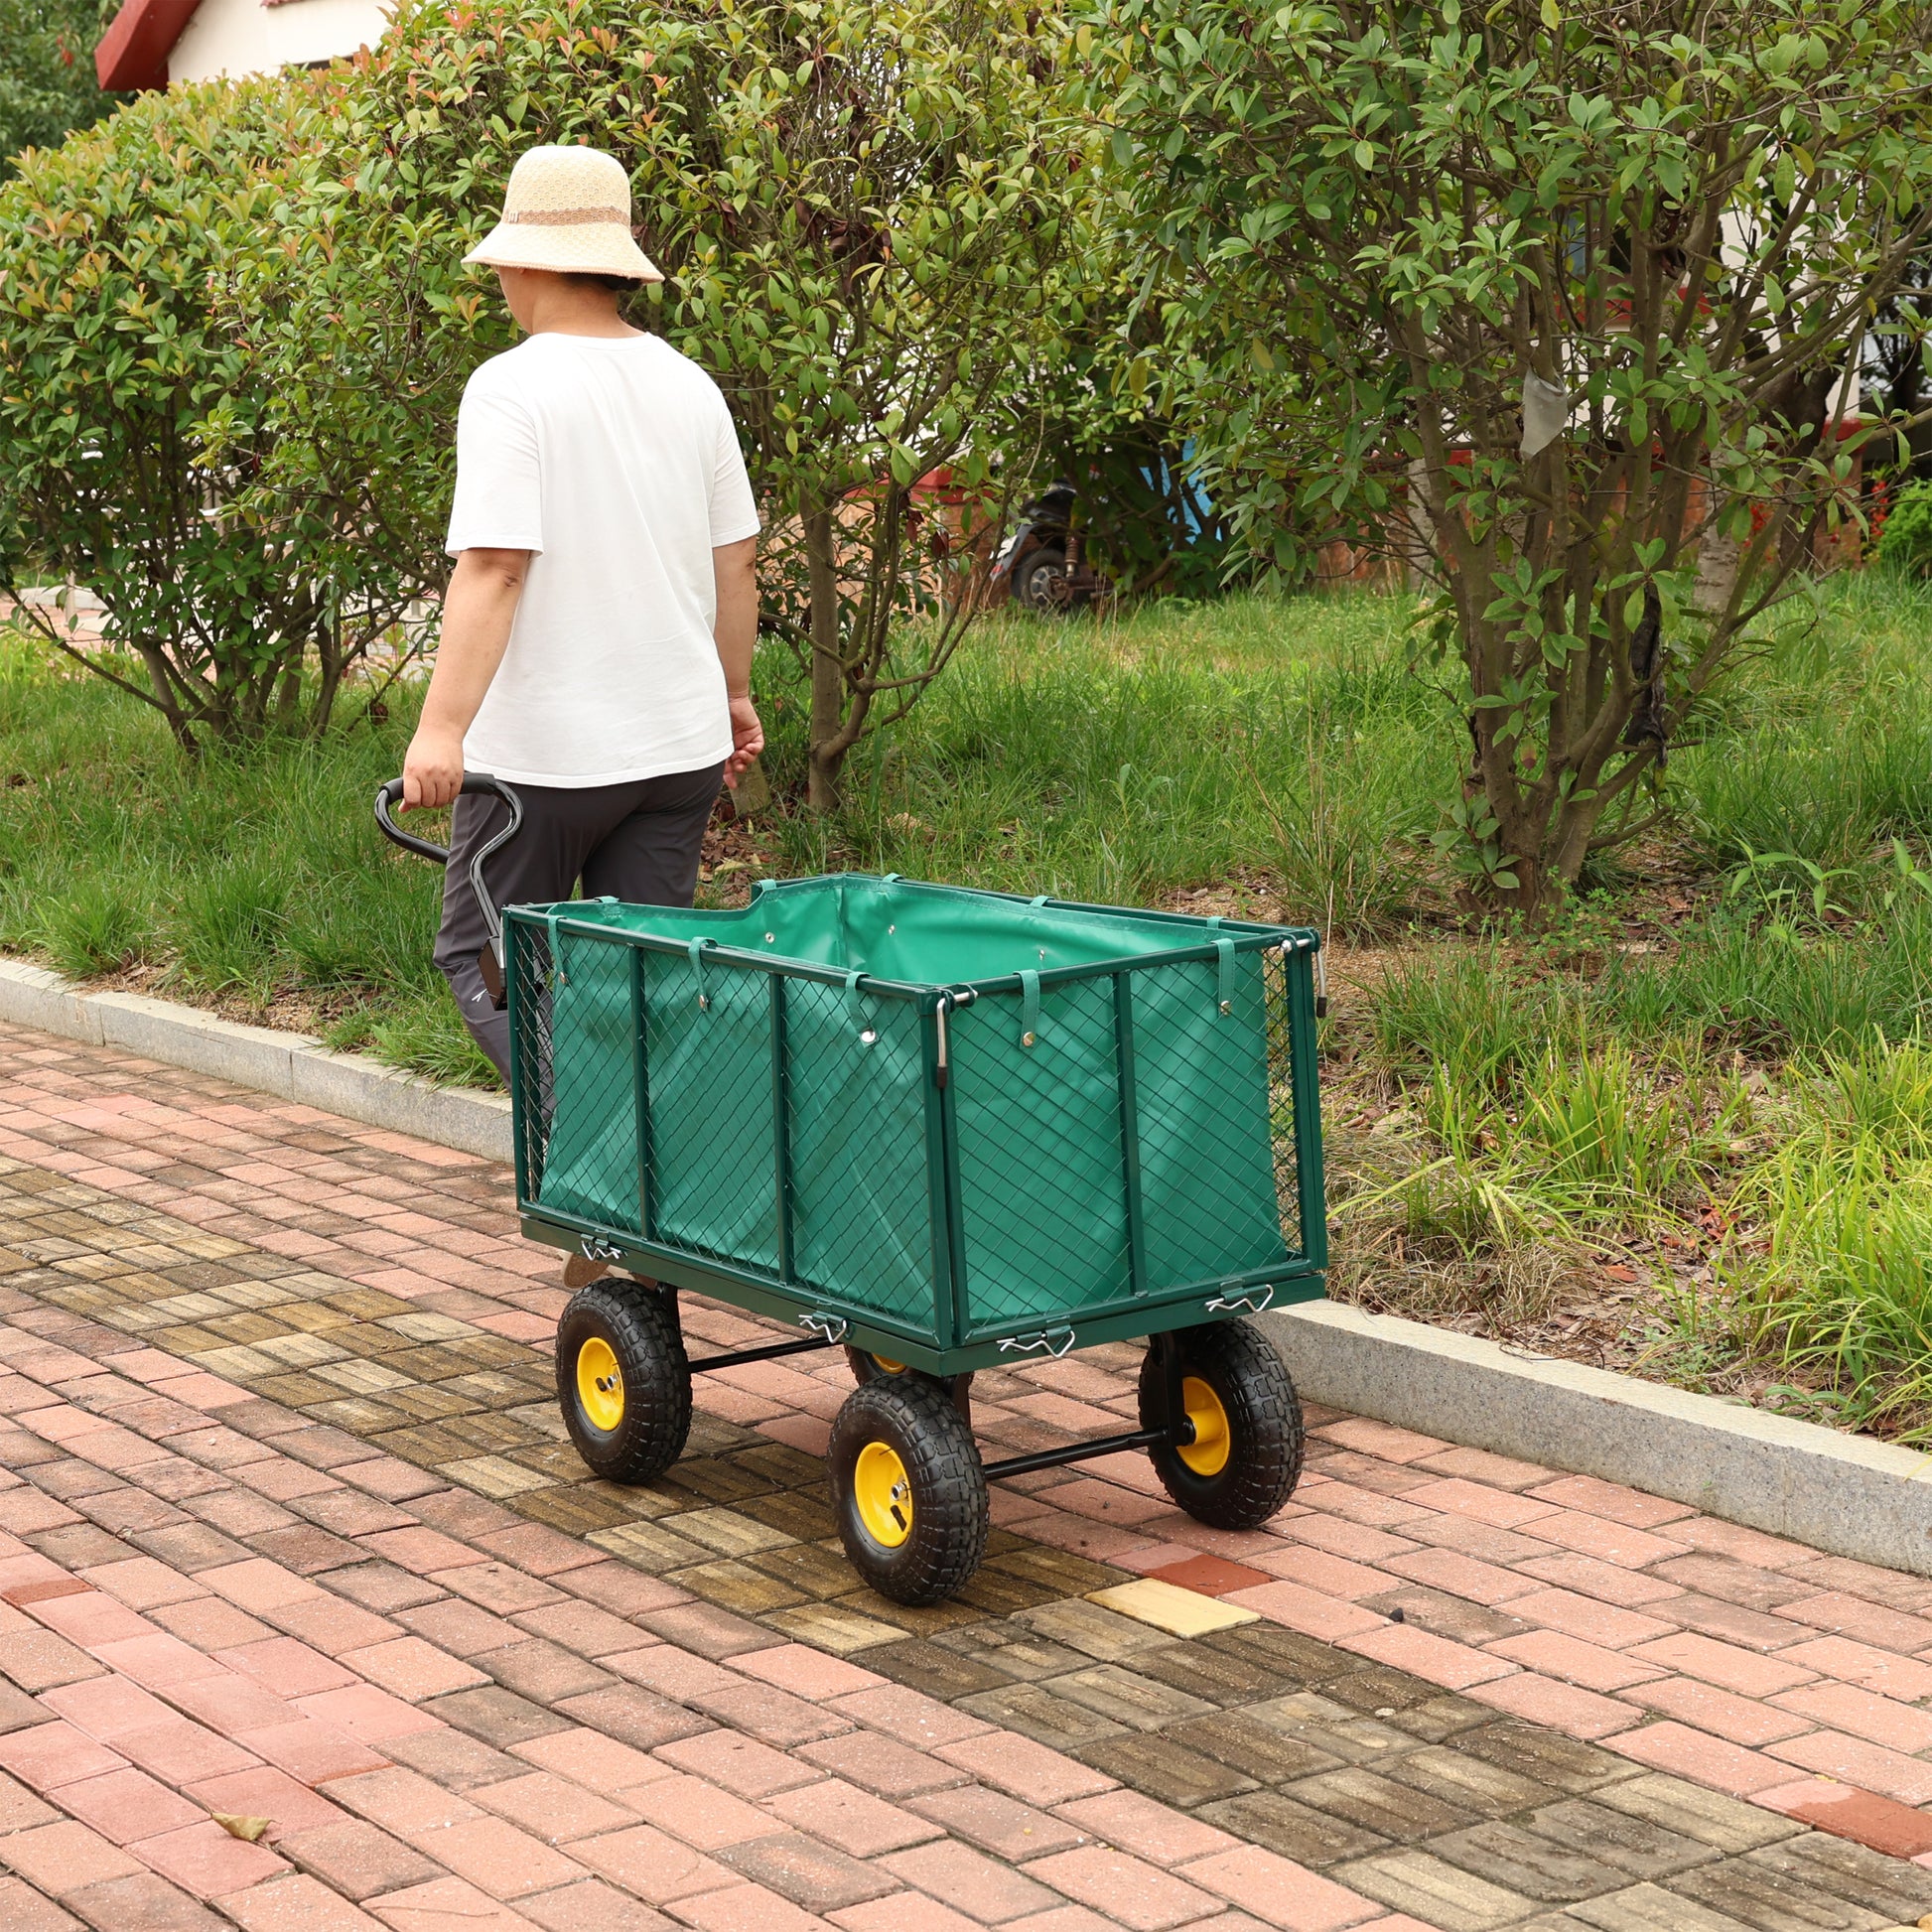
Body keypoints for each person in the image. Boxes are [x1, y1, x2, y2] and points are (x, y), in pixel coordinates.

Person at [401, 142, 762, 1079]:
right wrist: (732, 696)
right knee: (635, 983)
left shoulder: (510, 386)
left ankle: (581, 1147)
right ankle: (646, 1152)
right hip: (679, 751)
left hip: (544, 765)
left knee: (481, 960)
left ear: (522, 263)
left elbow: (494, 569)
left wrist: (441, 730)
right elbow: (736, 562)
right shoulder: (690, 385)